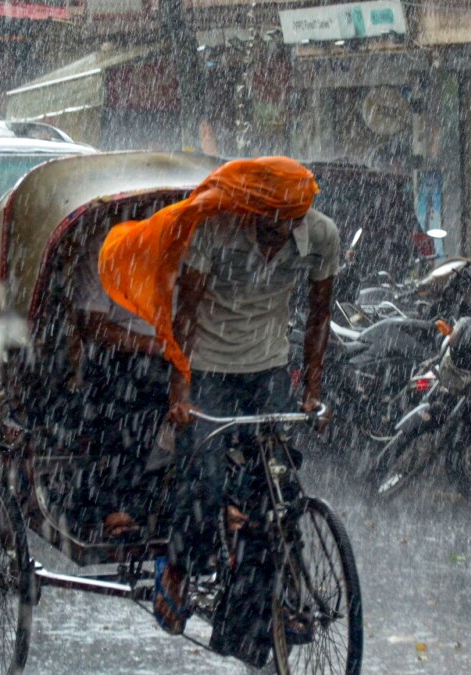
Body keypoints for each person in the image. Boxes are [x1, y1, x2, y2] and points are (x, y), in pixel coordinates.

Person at [98, 157, 337, 653]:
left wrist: (313, 389)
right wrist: (179, 392)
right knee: (203, 478)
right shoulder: (215, 229)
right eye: (265, 227)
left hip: (268, 366)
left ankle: (278, 596)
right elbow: (184, 314)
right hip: (208, 364)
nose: (272, 239)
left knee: (277, 489)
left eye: (283, 229)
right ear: (251, 211)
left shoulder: (322, 237)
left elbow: (318, 316)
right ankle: (180, 572)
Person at [62, 227, 170, 537]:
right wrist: (152, 346)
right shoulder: (105, 246)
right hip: (123, 358)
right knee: (135, 402)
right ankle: (120, 505)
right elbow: (93, 327)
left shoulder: (184, 239)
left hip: (181, 352)